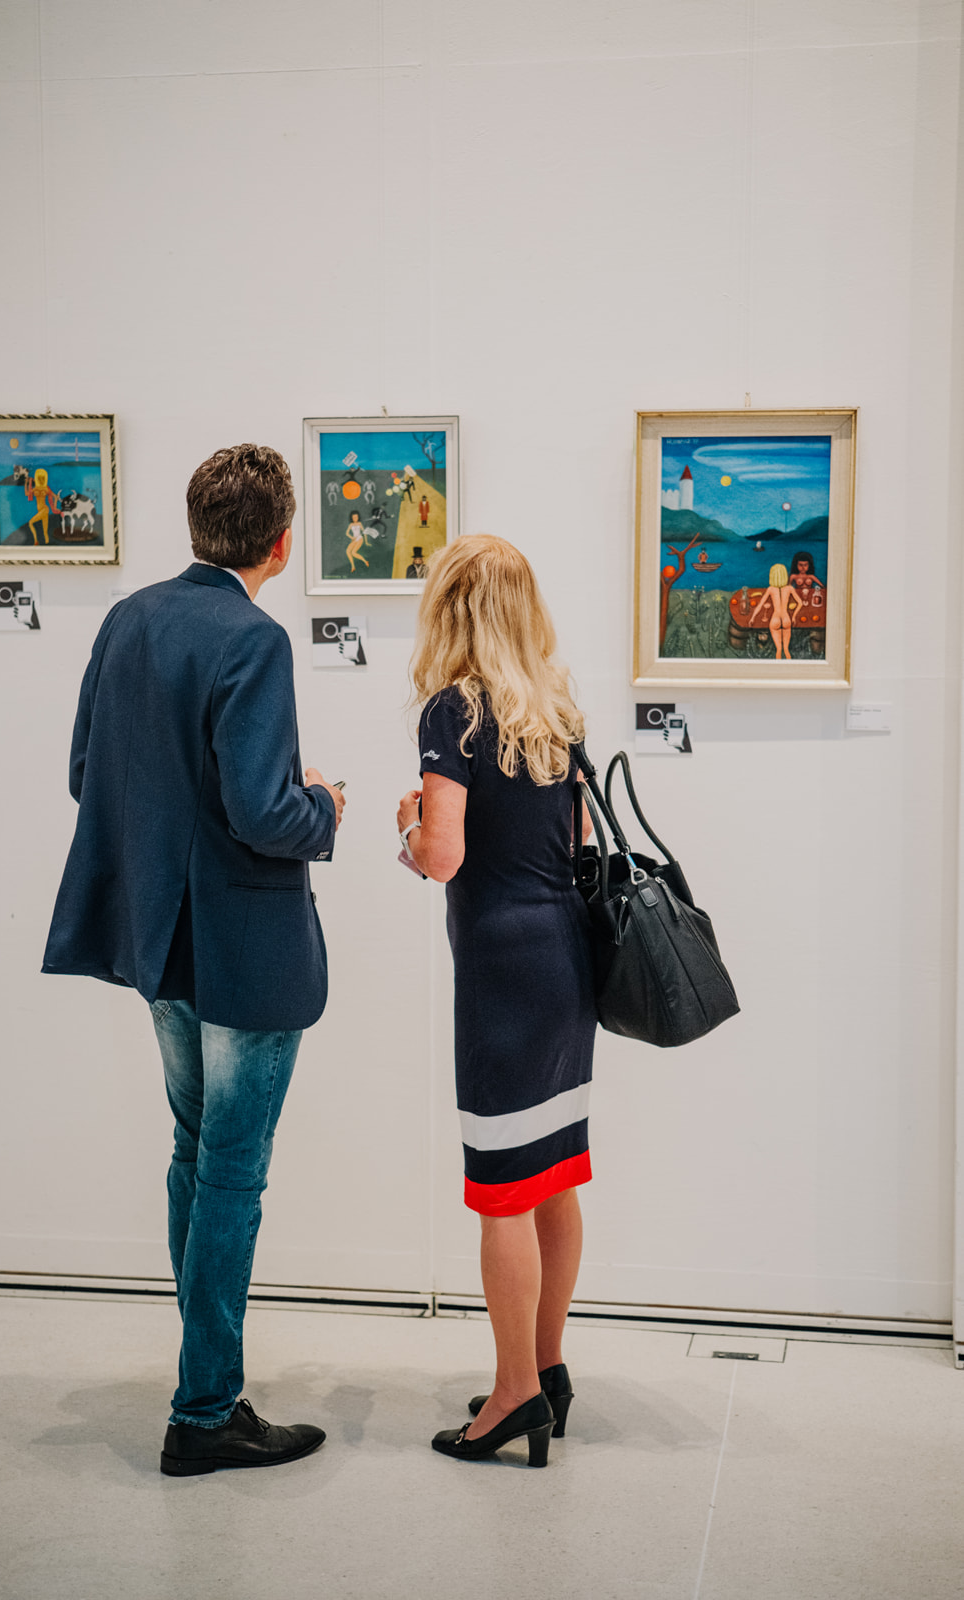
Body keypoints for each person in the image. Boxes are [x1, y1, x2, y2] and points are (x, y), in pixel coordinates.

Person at [42, 443, 345, 1476]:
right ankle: (205, 1408)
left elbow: (88, 771)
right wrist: (323, 804)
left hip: (158, 940)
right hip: (242, 948)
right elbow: (263, 813)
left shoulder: (129, 619)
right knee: (231, 1172)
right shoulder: (253, 639)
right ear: (282, 541)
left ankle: (204, 1382)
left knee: (194, 1151)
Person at [395, 535, 595, 1468]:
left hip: (500, 972)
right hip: (566, 963)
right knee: (551, 1174)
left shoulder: (454, 713)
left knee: (501, 1191)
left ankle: (514, 1394)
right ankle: (546, 1369)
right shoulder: (556, 709)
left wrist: (406, 826)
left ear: (451, 610)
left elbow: (442, 857)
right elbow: (575, 841)